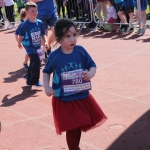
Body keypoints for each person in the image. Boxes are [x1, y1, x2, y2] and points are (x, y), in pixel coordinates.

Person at [43, 18, 107, 150]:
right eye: (67, 36)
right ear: (59, 38)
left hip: (81, 96)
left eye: (74, 35)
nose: (72, 39)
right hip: (64, 98)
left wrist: (90, 73)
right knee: (72, 127)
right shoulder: (54, 56)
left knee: (77, 125)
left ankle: (75, 147)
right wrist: (47, 86)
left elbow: (92, 65)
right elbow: (46, 71)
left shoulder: (80, 51)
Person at [18, 2, 48, 87]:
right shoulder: (25, 24)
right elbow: (21, 34)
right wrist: (19, 42)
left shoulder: (39, 22)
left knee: (33, 62)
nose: (35, 12)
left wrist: (45, 41)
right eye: (32, 11)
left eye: (36, 10)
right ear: (27, 12)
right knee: (37, 61)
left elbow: (43, 33)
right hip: (28, 46)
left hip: (37, 45)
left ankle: (27, 76)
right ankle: (34, 81)